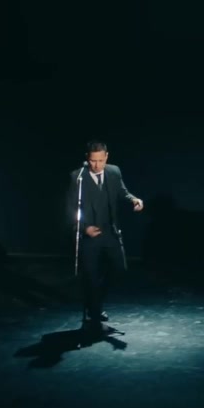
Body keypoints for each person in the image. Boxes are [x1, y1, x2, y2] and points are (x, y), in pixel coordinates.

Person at [66, 140, 143, 334]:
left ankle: (95, 303)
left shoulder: (114, 171)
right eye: (93, 161)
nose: (97, 165)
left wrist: (133, 199)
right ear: (87, 158)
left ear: (106, 157)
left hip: (109, 232)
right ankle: (94, 312)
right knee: (90, 276)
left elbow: (122, 192)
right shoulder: (78, 177)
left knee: (119, 269)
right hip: (89, 236)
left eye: (100, 160)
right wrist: (84, 229)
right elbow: (70, 208)